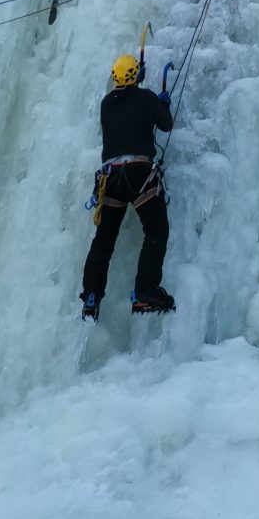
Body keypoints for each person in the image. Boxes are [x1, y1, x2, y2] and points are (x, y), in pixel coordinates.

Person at [80, 53, 175, 320]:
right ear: (137, 75)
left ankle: (91, 298)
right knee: (156, 230)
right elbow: (165, 124)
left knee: (104, 240)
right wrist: (162, 103)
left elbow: (126, 108)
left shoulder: (106, 104)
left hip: (110, 178)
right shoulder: (146, 98)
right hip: (139, 174)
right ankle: (145, 289)